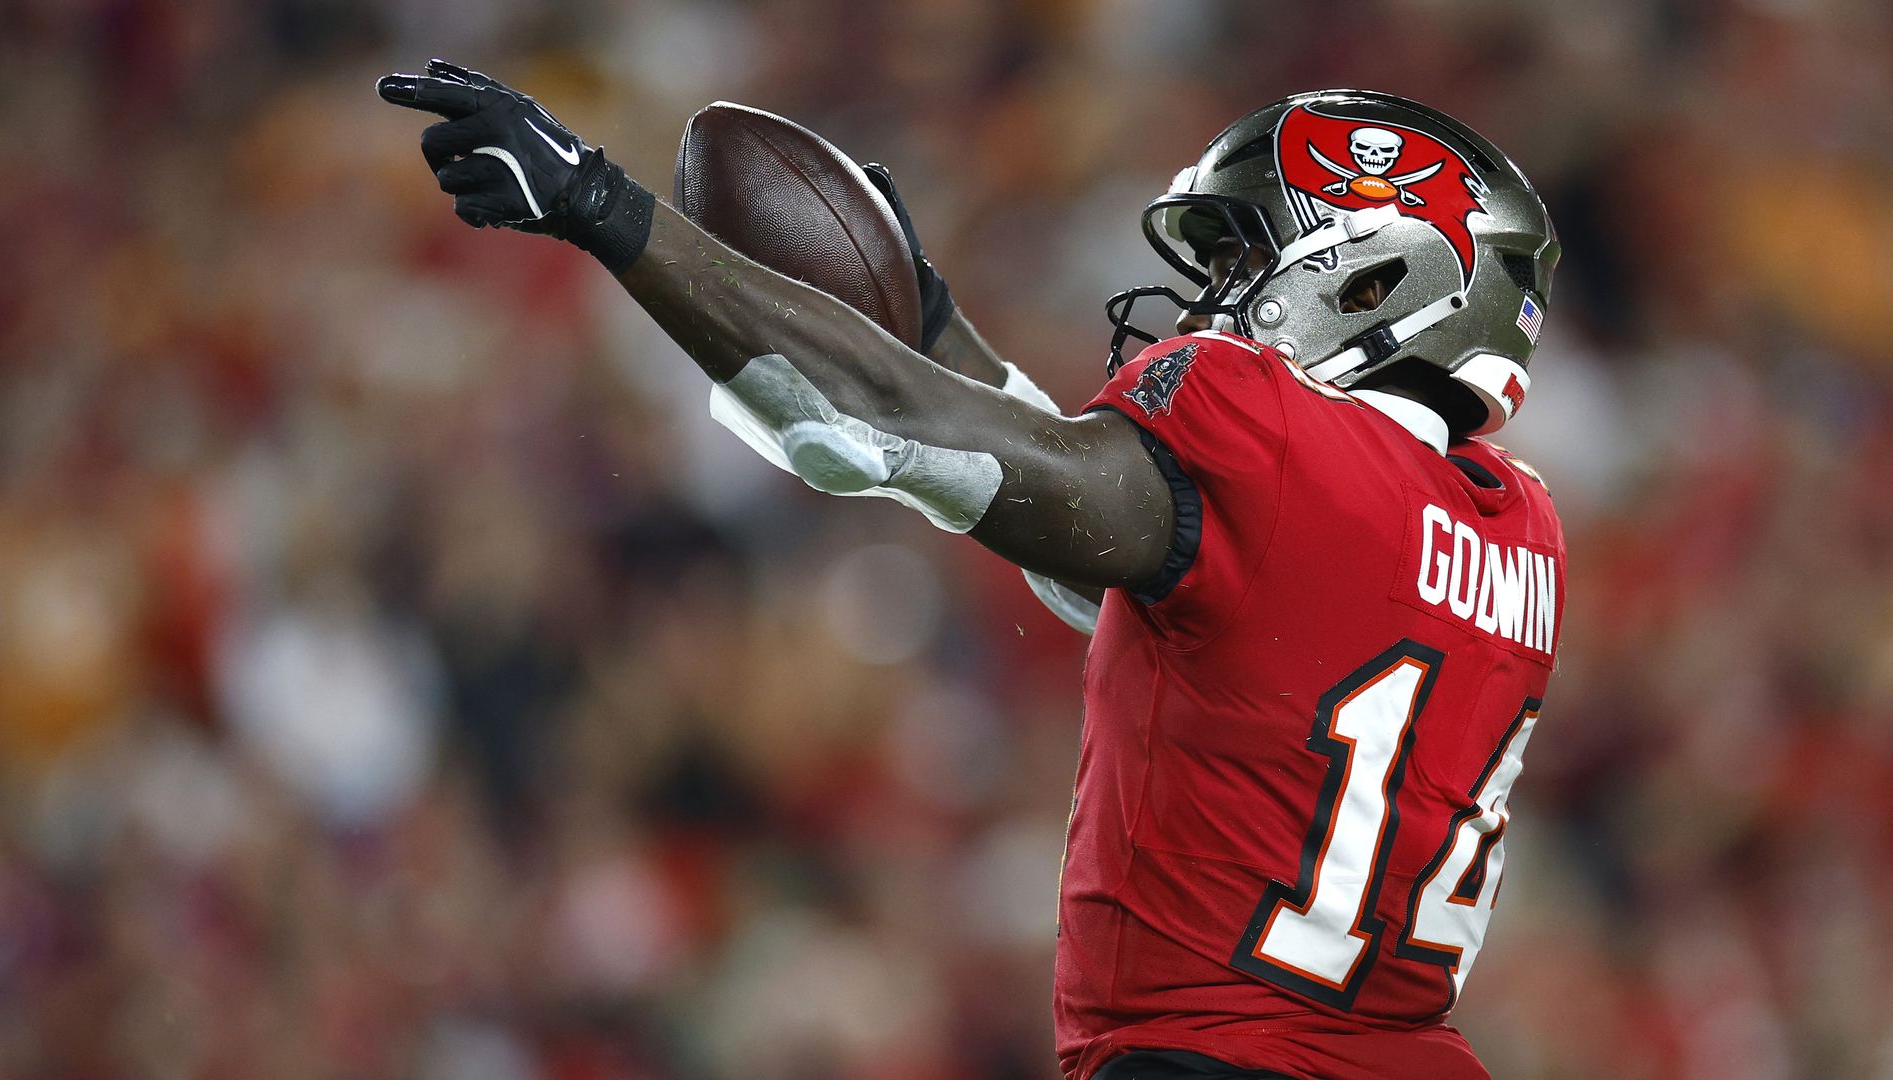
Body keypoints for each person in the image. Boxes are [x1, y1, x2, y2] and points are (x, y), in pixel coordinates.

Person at [379, 61, 1564, 1080]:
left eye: (1250, 260)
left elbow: (866, 426)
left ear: (1377, 282)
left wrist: (606, 208)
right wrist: (935, 325)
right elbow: (1111, 543)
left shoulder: (1263, 435)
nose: (1216, 303)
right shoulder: (1515, 530)